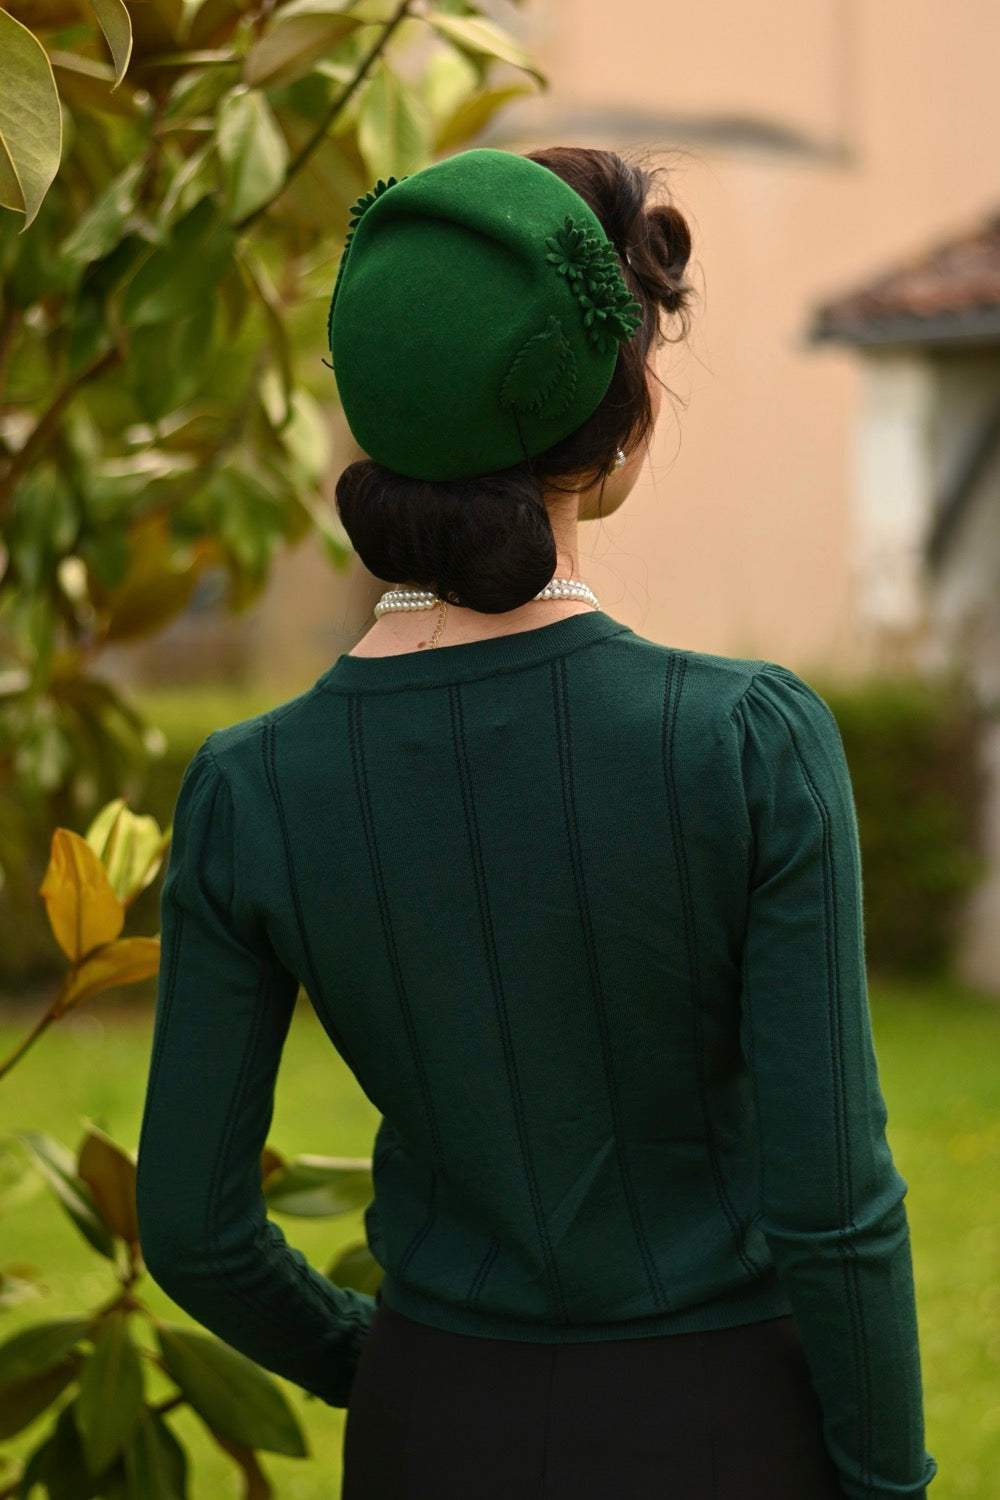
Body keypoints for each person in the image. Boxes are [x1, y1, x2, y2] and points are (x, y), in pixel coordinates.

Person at [135, 146, 937, 1499]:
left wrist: (382, 1363)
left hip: (428, 1431)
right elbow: (834, 1210)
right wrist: (887, 1485)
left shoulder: (247, 787)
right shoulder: (748, 743)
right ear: (619, 422)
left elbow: (193, 1232)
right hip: (720, 1436)